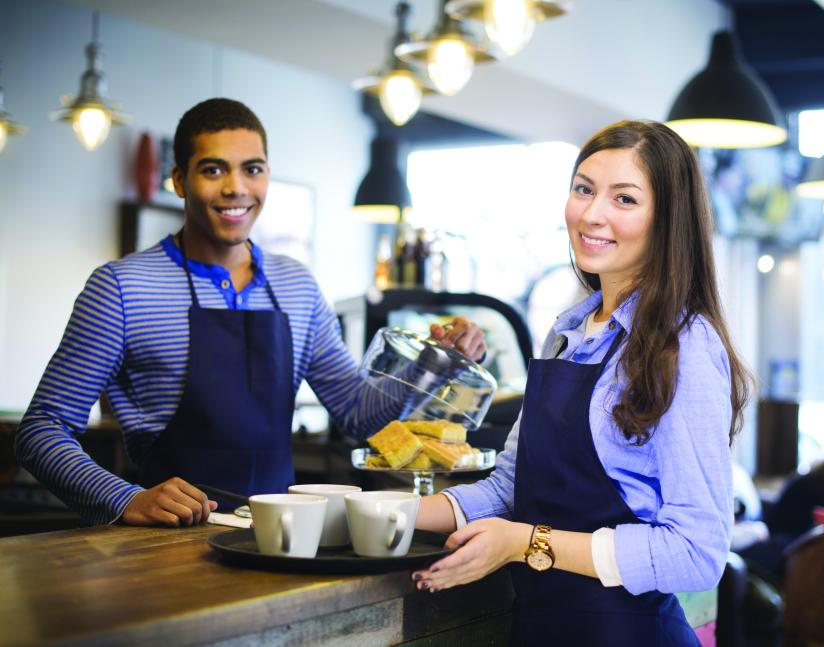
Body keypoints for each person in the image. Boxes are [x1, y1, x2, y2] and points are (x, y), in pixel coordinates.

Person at [14, 98, 485, 528]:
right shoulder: (121, 287)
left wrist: (436, 360)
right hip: (165, 541)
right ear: (179, 180)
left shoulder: (297, 286)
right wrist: (124, 499)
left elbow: (360, 416)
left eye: (252, 169)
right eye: (213, 170)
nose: (236, 189)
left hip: (281, 533)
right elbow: (41, 431)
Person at [412, 120, 752, 646]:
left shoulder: (685, 344)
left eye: (625, 199)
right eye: (584, 189)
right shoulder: (567, 333)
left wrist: (527, 544)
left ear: (668, 220)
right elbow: (509, 489)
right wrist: (374, 514)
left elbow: (697, 552)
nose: (592, 214)